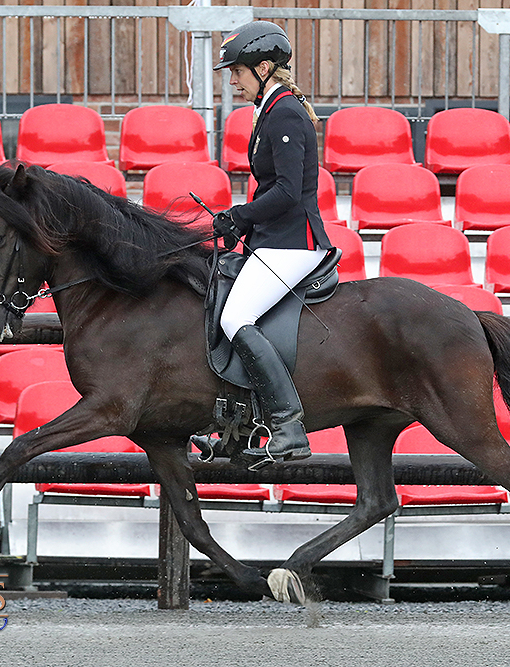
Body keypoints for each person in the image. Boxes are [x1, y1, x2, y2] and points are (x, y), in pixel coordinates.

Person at [212, 20, 334, 466]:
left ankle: (286, 423)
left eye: (238, 72)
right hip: (272, 239)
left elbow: (286, 190)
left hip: (293, 243)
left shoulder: (282, 112)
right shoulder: (272, 109)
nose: (234, 81)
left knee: (236, 316)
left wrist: (240, 216)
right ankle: (238, 427)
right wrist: (239, 226)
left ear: (264, 68)